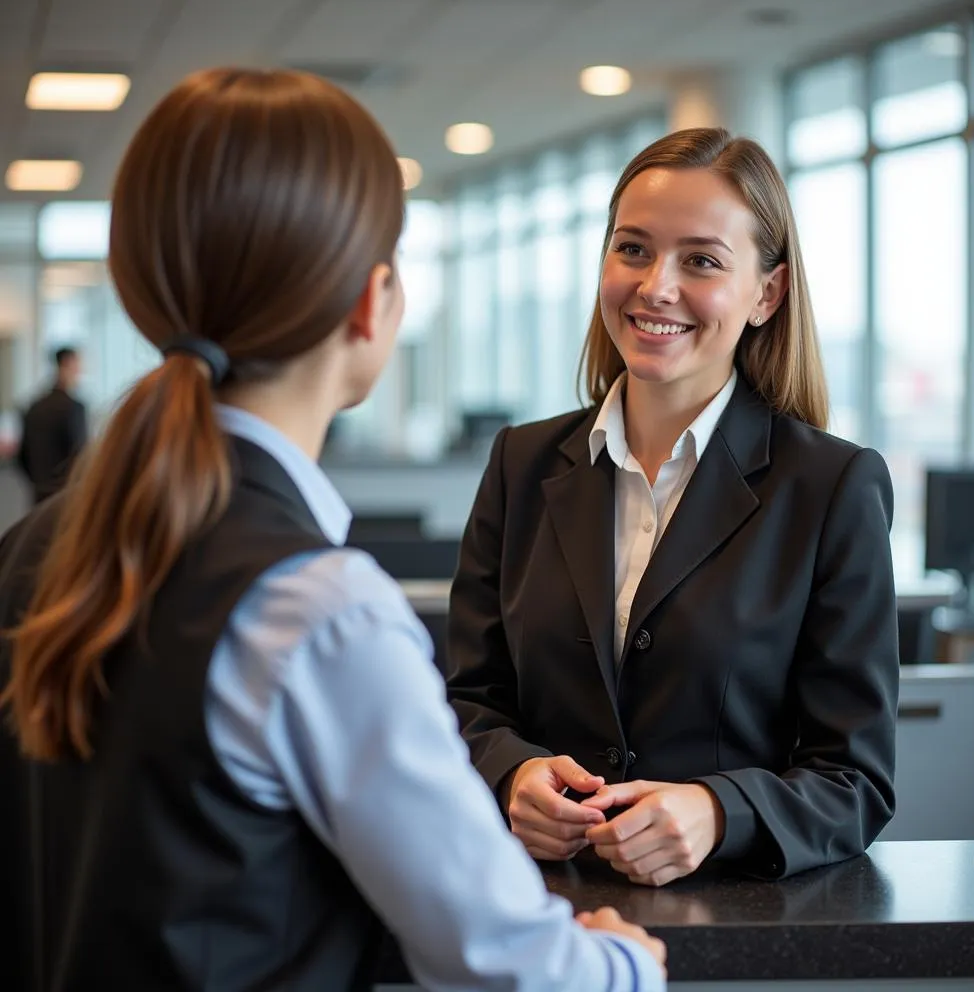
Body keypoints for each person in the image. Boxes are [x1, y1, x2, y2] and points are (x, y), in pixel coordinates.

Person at [0, 68, 666, 992]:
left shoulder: (36, 544)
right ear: (370, 299)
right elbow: (512, 965)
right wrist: (623, 964)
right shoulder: (318, 608)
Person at [447, 126, 899, 885]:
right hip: (538, 911)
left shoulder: (831, 487)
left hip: (733, 926)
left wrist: (721, 812)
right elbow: (466, 701)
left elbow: (855, 781)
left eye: (701, 261)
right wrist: (509, 775)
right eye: (633, 249)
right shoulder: (520, 465)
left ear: (767, 293)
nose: (656, 286)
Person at [16, 346, 87, 504]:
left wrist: (38, 481)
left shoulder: (34, 406)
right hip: (66, 494)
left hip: (39, 492)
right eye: (78, 365)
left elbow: (22, 456)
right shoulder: (73, 408)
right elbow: (80, 454)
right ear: (68, 364)